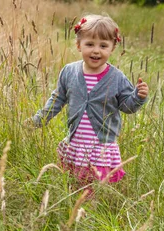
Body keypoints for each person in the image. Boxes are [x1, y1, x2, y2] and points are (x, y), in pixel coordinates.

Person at [30, 14, 148, 189]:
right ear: (79, 45)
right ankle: (75, 213)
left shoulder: (116, 78)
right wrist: (39, 119)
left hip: (100, 147)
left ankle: (89, 214)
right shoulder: (69, 72)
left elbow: (126, 106)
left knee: (93, 189)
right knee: (74, 184)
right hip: (77, 144)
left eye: (103, 46)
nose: (96, 51)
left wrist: (138, 97)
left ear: (112, 48)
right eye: (90, 44)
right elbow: (57, 99)